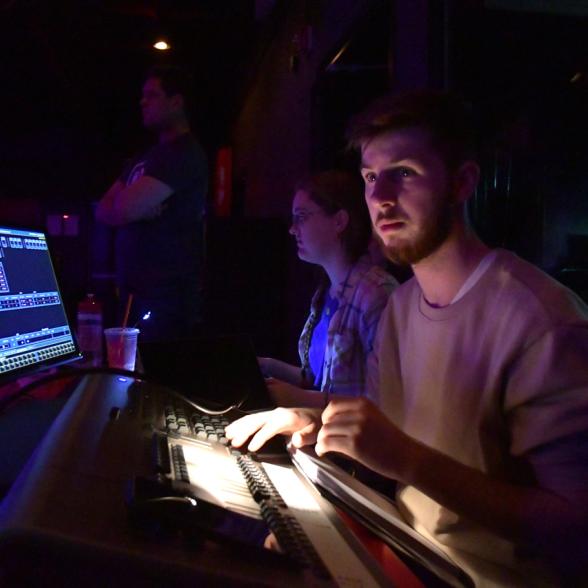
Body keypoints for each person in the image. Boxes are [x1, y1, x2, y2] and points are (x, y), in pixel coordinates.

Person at [226, 91, 588, 586]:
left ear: (462, 183)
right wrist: (313, 420)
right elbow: (384, 429)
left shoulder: (542, 322)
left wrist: (407, 460)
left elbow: (577, 528)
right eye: (371, 177)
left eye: (405, 173)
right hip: (404, 552)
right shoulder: (400, 307)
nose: (380, 198)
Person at [258, 170, 397, 407]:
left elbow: (383, 404)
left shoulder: (376, 294)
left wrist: (299, 399)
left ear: (339, 221)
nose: (292, 229)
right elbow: (316, 380)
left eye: (301, 216)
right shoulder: (326, 293)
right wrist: (265, 366)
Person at [96, 65, 208, 342]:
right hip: (135, 296)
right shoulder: (145, 157)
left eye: (152, 95)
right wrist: (133, 209)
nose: (142, 101)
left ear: (176, 102)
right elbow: (103, 208)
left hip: (167, 302)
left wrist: (128, 208)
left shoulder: (184, 153)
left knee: (153, 380)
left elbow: (122, 207)